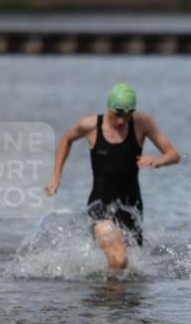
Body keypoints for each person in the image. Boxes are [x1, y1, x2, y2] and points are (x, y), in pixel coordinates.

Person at [45, 83, 180, 270]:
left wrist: (158, 161)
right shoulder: (90, 125)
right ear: (109, 107)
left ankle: (106, 287)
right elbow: (66, 138)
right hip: (99, 206)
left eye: (128, 115)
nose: (122, 121)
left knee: (130, 266)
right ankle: (109, 288)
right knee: (119, 260)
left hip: (131, 208)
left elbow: (173, 155)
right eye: (117, 114)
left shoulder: (142, 123)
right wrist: (56, 176)